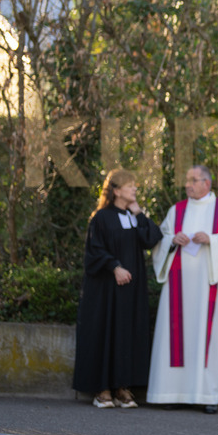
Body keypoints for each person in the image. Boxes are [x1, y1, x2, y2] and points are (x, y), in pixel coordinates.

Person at [147, 165, 218, 413]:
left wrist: (212, 240)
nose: (188, 185)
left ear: (207, 183)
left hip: (211, 287)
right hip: (178, 287)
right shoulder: (176, 210)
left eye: (193, 180)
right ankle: (171, 393)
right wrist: (172, 240)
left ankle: (208, 395)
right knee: (176, 335)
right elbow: (161, 240)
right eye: (187, 180)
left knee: (209, 337)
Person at [72, 168, 161, 408]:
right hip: (106, 291)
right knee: (105, 334)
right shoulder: (101, 218)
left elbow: (153, 238)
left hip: (131, 292)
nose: (135, 189)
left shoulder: (134, 216)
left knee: (127, 335)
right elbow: (94, 251)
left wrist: (139, 212)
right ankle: (102, 390)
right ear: (116, 190)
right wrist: (114, 267)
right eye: (130, 185)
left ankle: (123, 387)